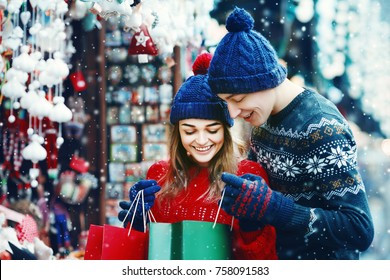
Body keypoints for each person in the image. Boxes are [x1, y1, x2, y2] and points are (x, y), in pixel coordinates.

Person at [206, 7, 374, 260]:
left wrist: (275, 209)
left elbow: (358, 229)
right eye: (225, 102)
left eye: (237, 98)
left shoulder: (321, 127)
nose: (232, 112)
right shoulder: (263, 118)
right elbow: (259, 190)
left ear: (265, 82)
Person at [118, 53, 277, 260]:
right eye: (190, 131)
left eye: (211, 130)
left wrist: (252, 228)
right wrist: (137, 225)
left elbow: (265, 262)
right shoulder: (159, 174)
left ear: (226, 132)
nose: (201, 141)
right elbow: (145, 257)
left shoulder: (248, 174)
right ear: (178, 134)